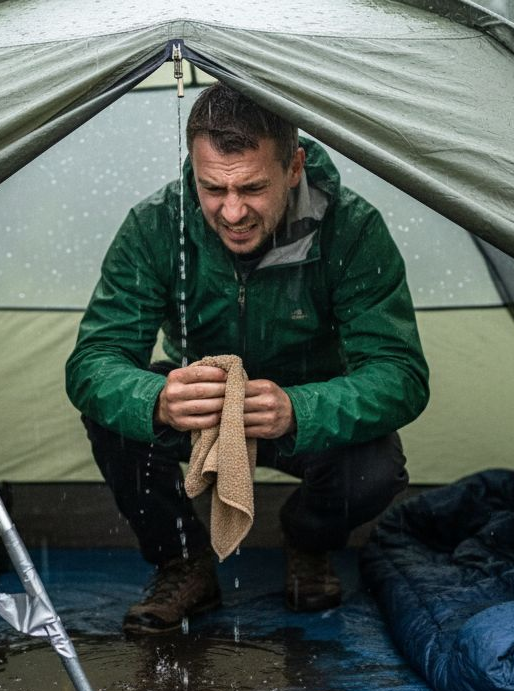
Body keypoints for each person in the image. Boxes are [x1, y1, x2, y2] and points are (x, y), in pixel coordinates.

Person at [65, 83, 429, 636]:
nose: (232, 212)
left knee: (376, 468)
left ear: (294, 166)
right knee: (115, 418)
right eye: (213, 188)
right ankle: (183, 563)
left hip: (304, 413)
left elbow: (401, 374)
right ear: (193, 167)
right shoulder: (156, 226)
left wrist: (301, 409)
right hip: (201, 414)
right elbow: (94, 361)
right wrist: (158, 400)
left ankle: (307, 541)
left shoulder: (352, 230)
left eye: (252, 188)